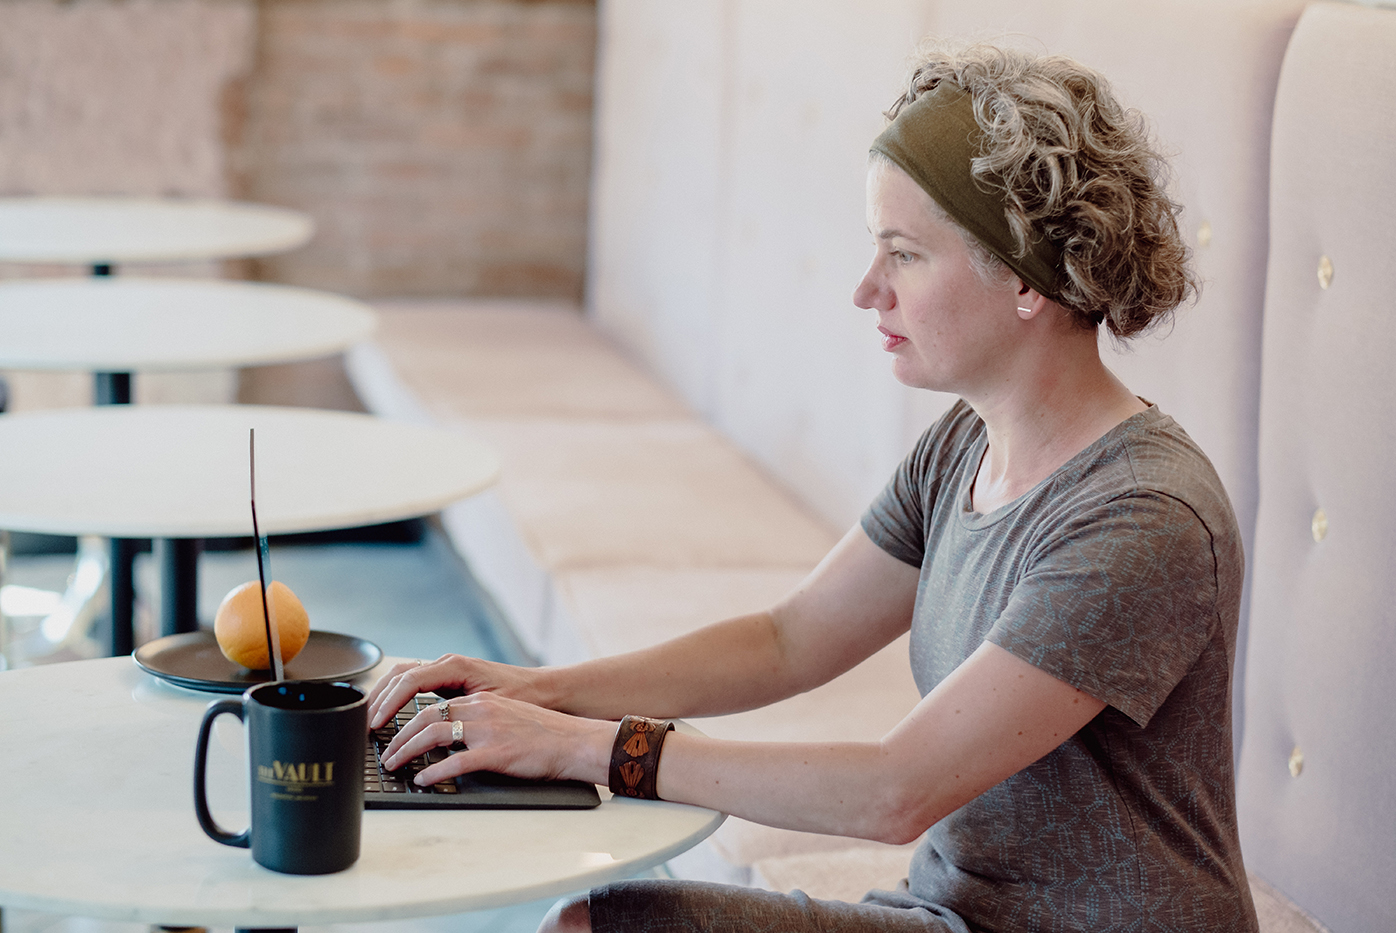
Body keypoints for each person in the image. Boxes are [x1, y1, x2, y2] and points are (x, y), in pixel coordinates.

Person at [367, 42, 1259, 933]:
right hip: (953, 912)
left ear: (1025, 278)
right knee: (591, 923)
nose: (867, 289)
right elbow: (787, 639)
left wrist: (592, 748)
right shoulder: (963, 444)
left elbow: (895, 789)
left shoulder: (1143, 519)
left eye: (905, 255)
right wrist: (542, 690)